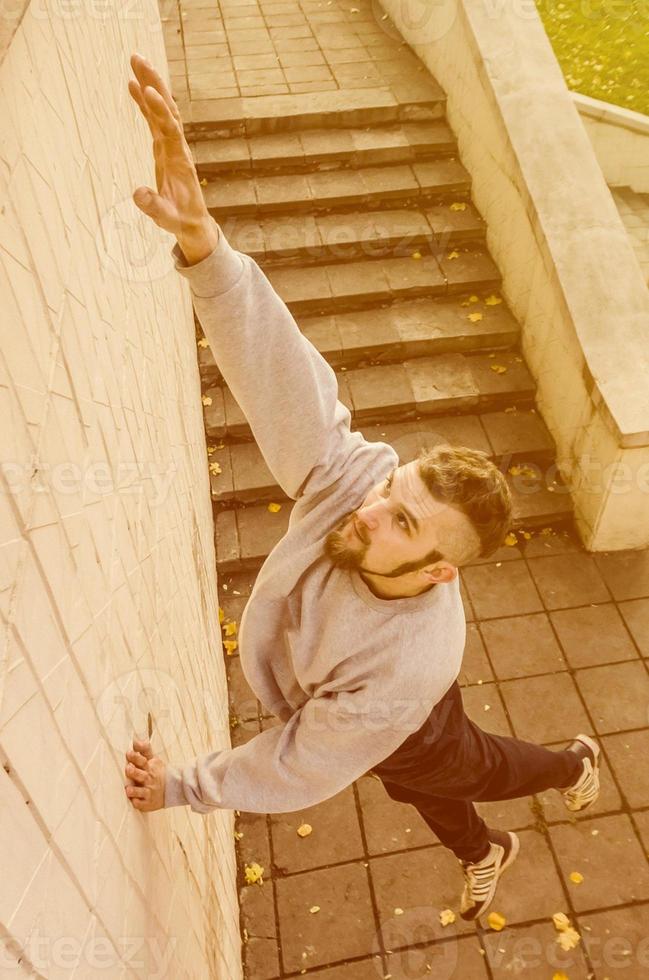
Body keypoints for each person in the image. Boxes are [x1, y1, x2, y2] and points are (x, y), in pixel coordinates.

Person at [122, 53, 600, 921]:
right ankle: (490, 843)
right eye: (394, 487)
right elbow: (285, 379)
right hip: (381, 716)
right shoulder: (359, 490)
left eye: (400, 520)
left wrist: (182, 789)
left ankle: (569, 765)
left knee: (466, 769)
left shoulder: (393, 676)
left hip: (406, 715)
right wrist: (205, 247)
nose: (369, 509)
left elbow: (298, 763)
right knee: (409, 786)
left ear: (436, 570)